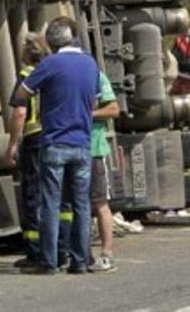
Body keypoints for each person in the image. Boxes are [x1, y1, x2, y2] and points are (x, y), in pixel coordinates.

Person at [12, 17, 99, 275]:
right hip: (82, 143)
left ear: (51, 41)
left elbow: (21, 94)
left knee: (50, 202)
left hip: (54, 142)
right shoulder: (90, 63)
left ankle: (49, 262)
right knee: (81, 204)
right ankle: (80, 261)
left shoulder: (50, 64)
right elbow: (94, 104)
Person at [5, 33, 50, 267]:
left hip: (33, 139)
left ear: (29, 53)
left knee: (31, 194)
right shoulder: (52, 74)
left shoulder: (25, 76)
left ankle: (34, 251)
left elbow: (20, 112)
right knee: (52, 193)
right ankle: (56, 247)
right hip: (53, 138)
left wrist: (13, 143)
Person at [87, 71, 120, 273]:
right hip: (69, 147)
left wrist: (88, 115)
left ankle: (107, 254)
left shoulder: (96, 76)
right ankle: (81, 254)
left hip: (93, 149)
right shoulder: (59, 73)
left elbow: (114, 109)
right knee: (73, 206)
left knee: (99, 202)